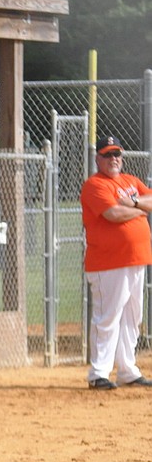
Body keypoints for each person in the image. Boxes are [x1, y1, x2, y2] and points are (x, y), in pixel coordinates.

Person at [79, 136, 152, 390]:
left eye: (117, 154)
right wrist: (141, 209)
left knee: (133, 316)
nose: (114, 159)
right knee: (107, 316)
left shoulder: (130, 182)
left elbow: (144, 202)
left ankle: (127, 370)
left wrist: (133, 203)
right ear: (98, 159)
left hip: (137, 259)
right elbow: (112, 214)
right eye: (108, 155)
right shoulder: (94, 185)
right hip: (108, 263)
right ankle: (99, 372)